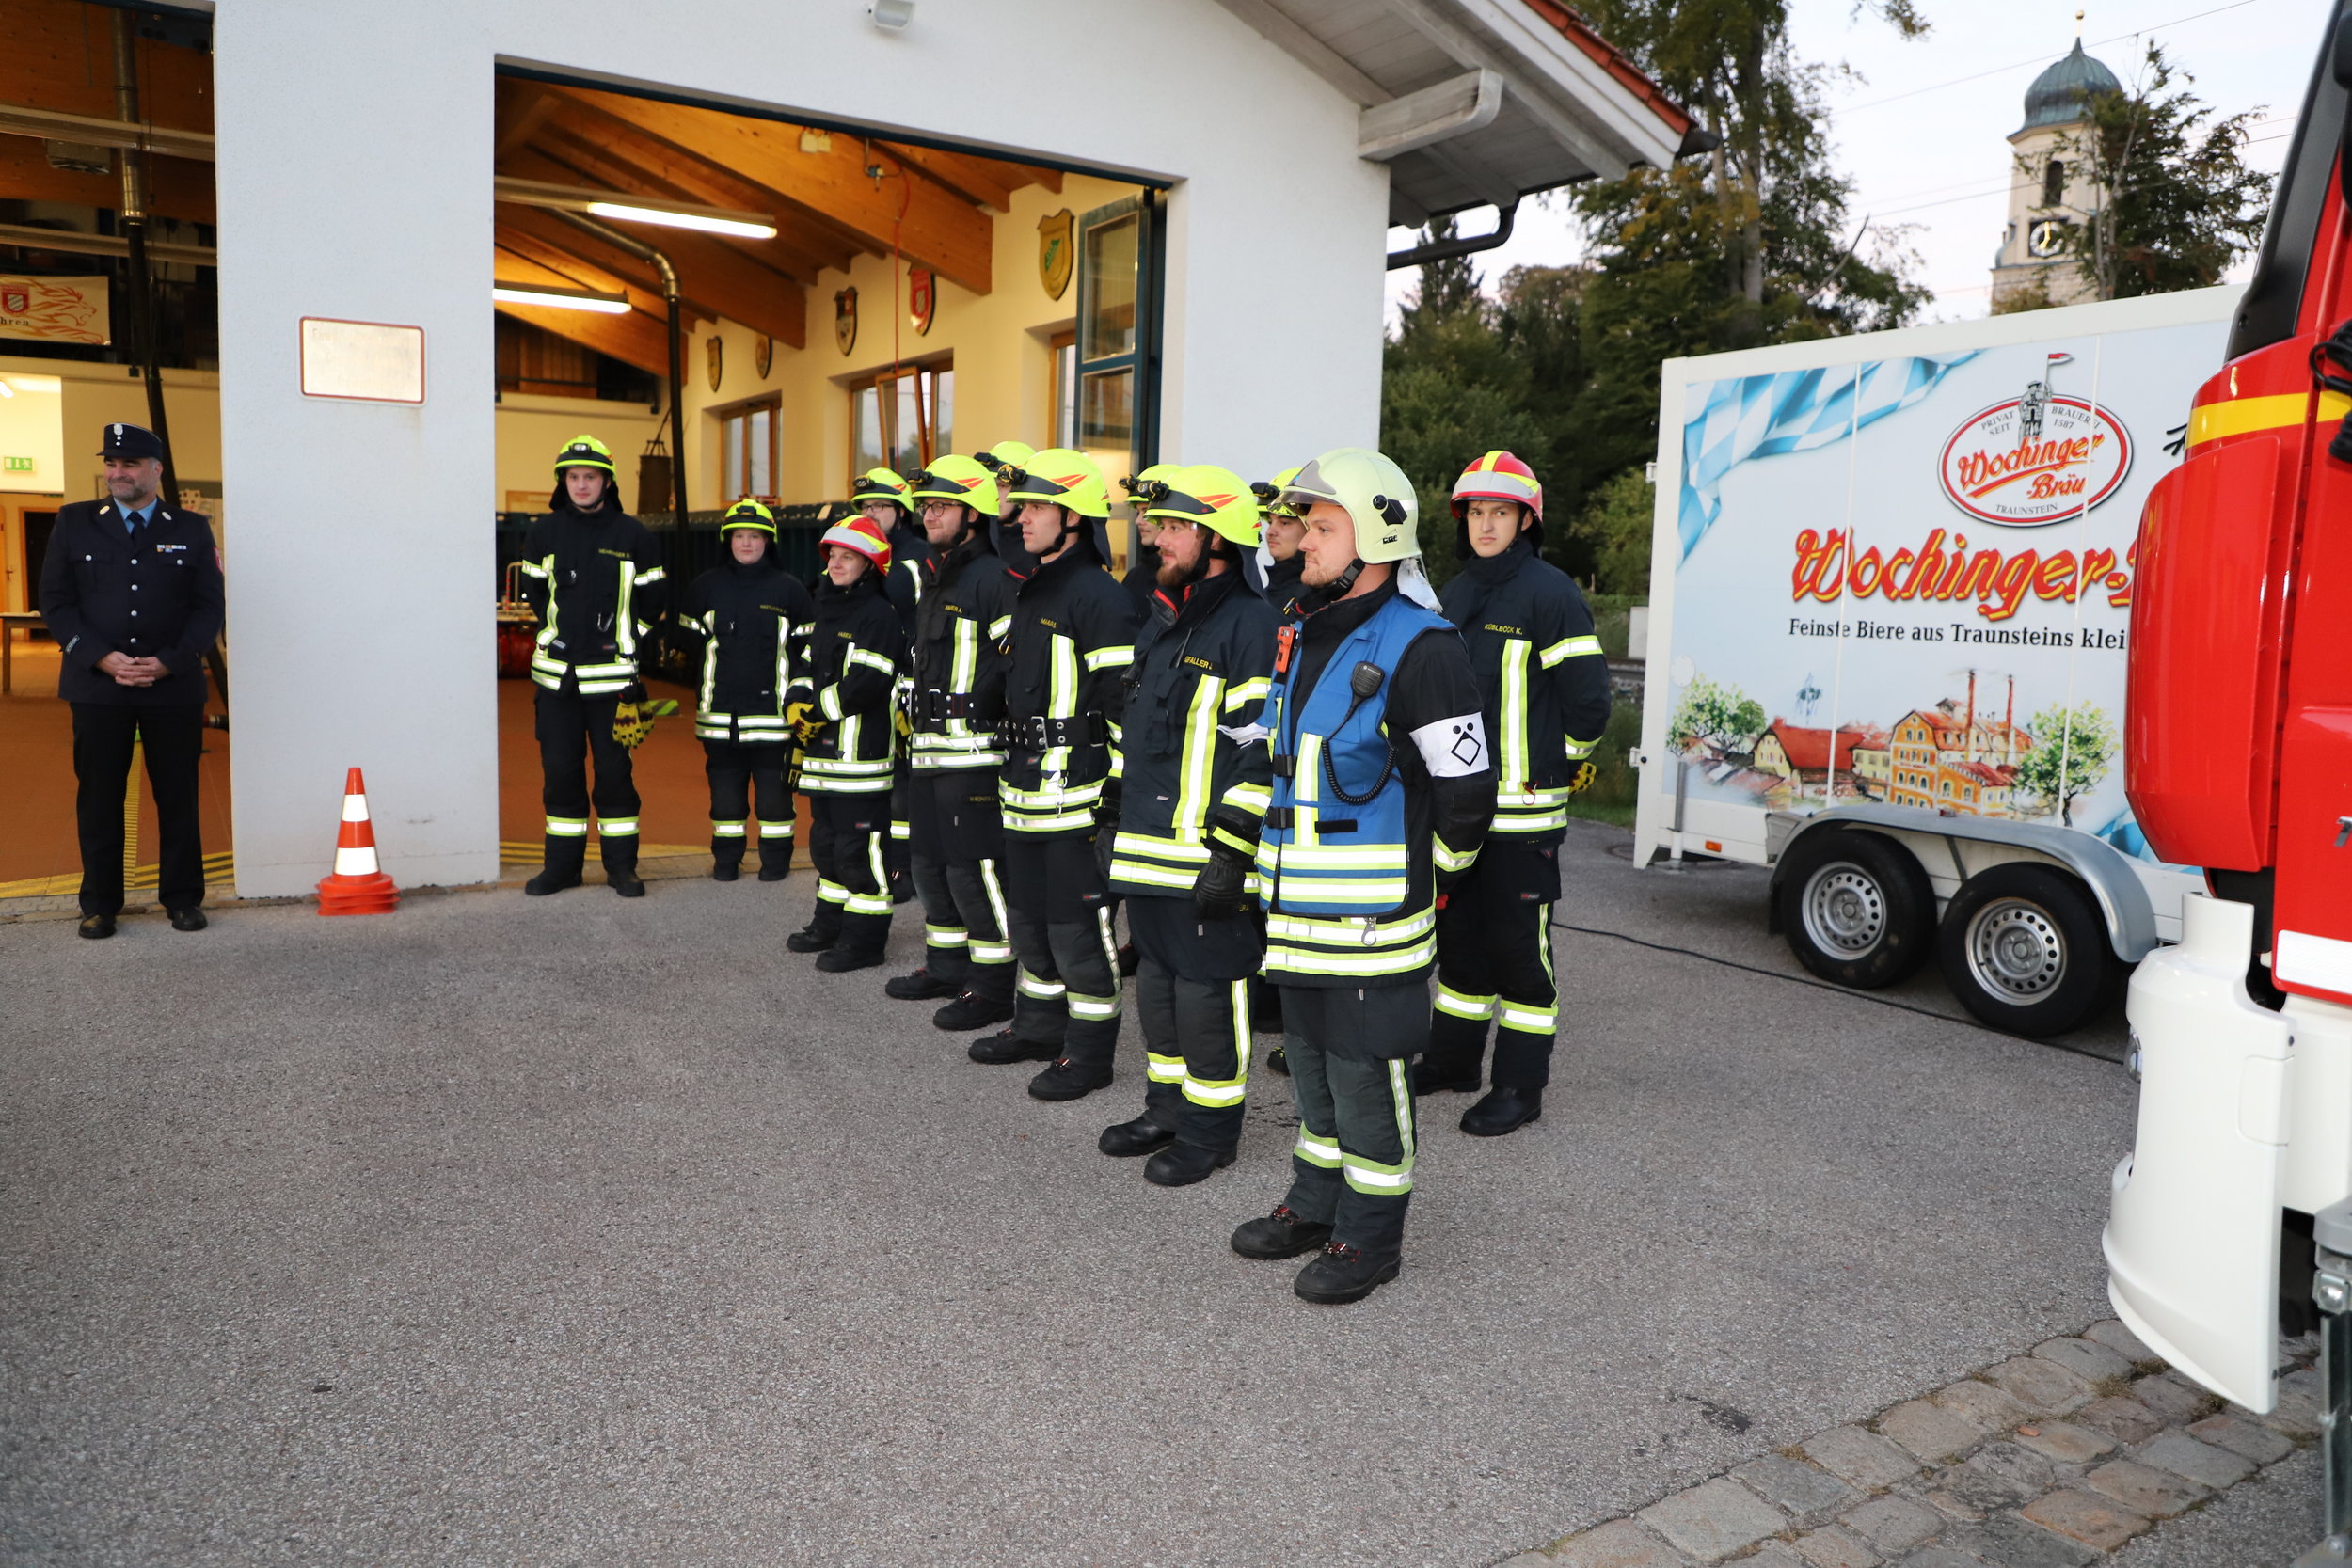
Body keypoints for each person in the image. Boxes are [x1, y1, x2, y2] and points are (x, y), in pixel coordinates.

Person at [1222, 447, 1495, 1306]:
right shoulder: (1303, 629)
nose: (1304, 539)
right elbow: (1277, 762)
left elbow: (1467, 794)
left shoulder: (1426, 647)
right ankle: (1314, 1202)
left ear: (1377, 532)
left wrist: (1431, 883)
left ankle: (1371, 1237)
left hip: (1376, 921)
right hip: (1297, 912)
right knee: (1309, 1064)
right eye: (1305, 523)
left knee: (1366, 1072)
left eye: (1323, 525)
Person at [1420, 451, 1611, 1134]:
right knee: (1461, 942)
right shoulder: (1455, 593)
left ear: (1526, 519)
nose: (1486, 524)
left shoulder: (1551, 592)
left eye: (1500, 512)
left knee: (1520, 957)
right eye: (1476, 512)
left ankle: (1520, 1086)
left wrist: (1564, 766)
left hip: (1523, 810)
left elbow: (1588, 702)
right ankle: (1451, 1060)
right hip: (1458, 808)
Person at [1096, 464, 1277, 1184]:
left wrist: (1233, 851)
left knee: (1208, 995)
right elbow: (1135, 729)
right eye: (1155, 524)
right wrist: (1111, 807)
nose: (1153, 537)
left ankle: (1209, 1132)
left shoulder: (1253, 627)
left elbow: (1262, 750)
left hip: (1207, 855)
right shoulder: (1165, 615)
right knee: (1161, 990)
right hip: (1148, 851)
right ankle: (1165, 1109)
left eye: (1169, 526)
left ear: (1216, 536)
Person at [970, 449, 1139, 1100]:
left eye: (1038, 507)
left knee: (1078, 930)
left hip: (1077, 795)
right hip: (1022, 792)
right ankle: (1038, 1027)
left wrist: (1115, 798)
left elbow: (1122, 702)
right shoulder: (1030, 585)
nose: (1022, 518)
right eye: (1024, 506)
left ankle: (1089, 1054)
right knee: (1031, 920)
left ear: (1074, 517)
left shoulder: (1099, 595)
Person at [37, 421, 223, 938]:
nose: (117, 473)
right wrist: (99, 657)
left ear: (156, 471)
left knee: (178, 795)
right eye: (112, 463)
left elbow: (209, 607)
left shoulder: (190, 527)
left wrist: (171, 660)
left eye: (130, 464)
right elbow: (54, 601)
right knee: (99, 797)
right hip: (98, 687)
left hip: (172, 686)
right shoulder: (75, 523)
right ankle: (100, 903)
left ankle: (183, 899)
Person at [889, 454, 1020, 1031]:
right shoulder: (937, 575)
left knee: (974, 871)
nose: (928, 515)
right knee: (928, 865)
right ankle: (945, 966)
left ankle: (991, 987)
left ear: (972, 513)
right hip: (928, 750)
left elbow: (1015, 666)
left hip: (974, 754)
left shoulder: (993, 578)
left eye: (939, 506)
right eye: (924, 507)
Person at [514, 435, 666, 898]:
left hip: (614, 683)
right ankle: (562, 869)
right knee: (560, 771)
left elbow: (653, 602)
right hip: (557, 680)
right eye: (573, 477)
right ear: (564, 482)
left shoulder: (635, 535)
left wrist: (623, 641)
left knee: (615, 773)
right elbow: (537, 595)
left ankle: (622, 869)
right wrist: (563, 636)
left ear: (607, 481)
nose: (582, 485)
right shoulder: (543, 533)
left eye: (590, 477)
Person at [786, 515, 908, 971]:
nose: (836, 565)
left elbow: (866, 684)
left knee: (860, 852)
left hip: (861, 759)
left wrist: (814, 712)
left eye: (847, 557)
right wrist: (794, 703)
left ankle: (865, 942)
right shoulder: (826, 608)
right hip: (823, 758)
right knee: (826, 845)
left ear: (870, 564)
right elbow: (801, 665)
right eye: (833, 556)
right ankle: (829, 924)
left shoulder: (878, 616)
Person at [676, 499, 815, 883]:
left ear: (768, 541)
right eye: (740, 536)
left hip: (773, 720)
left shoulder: (790, 591)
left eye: (755, 536)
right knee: (725, 797)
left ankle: (775, 861)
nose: (747, 543)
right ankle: (726, 860)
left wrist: (797, 699)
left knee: (774, 798)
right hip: (720, 719)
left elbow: (808, 652)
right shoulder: (706, 588)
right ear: (728, 540)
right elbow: (689, 644)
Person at [851, 467, 931, 910]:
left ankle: (907, 870)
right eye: (864, 507)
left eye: (880, 506)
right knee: (881, 783)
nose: (871, 513)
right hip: (878, 682)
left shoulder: (915, 555)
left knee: (905, 787)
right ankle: (883, 862)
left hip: (909, 685)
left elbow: (891, 594)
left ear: (899, 513)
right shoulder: (867, 552)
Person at [1118, 463, 1180, 615]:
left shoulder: (1189, 580)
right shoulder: (1136, 577)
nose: (1138, 521)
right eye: (1138, 512)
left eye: (1146, 512)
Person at [1256, 467, 1309, 622]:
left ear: (1310, 527)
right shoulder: (1266, 596)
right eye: (1270, 522)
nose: (1270, 532)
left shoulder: (1315, 602)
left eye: (1284, 523)